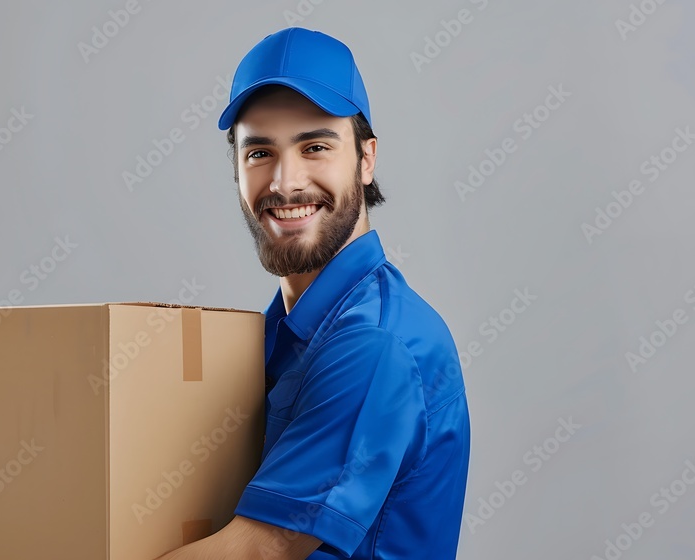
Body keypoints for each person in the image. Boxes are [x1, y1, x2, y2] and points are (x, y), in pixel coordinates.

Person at [156, 27, 470, 559]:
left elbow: (261, 549)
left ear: (366, 159)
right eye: (259, 152)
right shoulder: (278, 335)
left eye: (315, 146)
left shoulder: (374, 344)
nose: (284, 182)